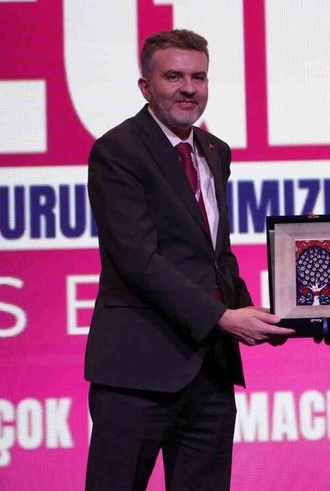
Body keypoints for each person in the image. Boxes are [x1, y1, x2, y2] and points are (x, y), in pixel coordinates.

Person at [84, 29, 293, 491]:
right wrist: (222, 317)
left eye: (198, 77)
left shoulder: (215, 152)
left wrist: (270, 315)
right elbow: (139, 260)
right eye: (174, 77)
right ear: (146, 86)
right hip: (137, 372)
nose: (188, 88)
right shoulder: (118, 151)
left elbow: (216, 256)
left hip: (209, 372)